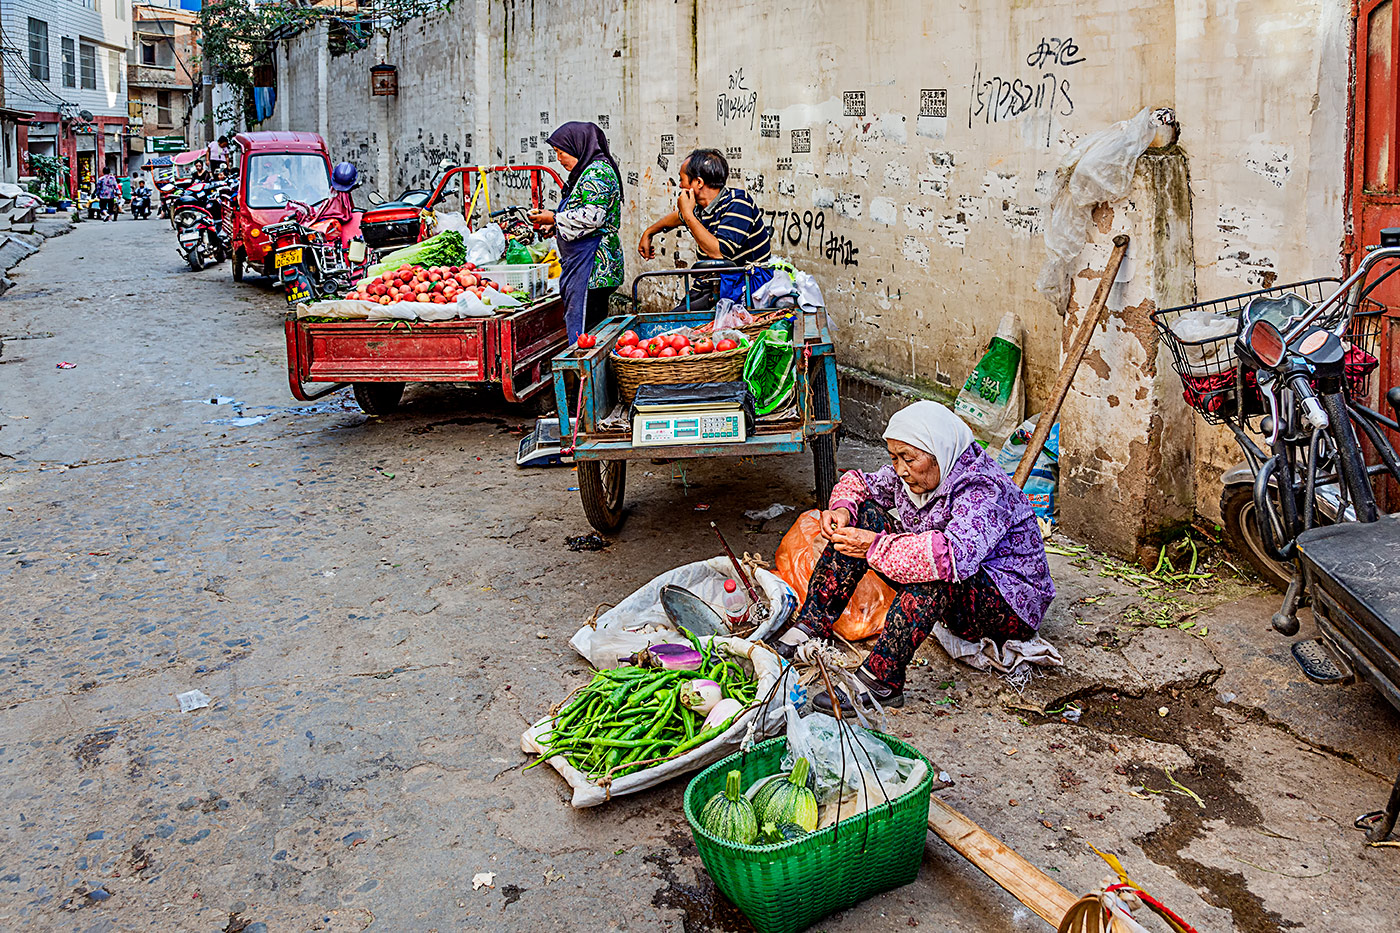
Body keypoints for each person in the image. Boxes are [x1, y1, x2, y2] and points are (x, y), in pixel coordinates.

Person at [766, 401, 1055, 713]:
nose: (901, 469)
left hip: (1006, 607)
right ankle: (813, 624)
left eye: (909, 458)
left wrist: (873, 546)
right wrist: (842, 508)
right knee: (863, 516)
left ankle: (882, 678)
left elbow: (951, 556)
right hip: (958, 592)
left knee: (933, 568)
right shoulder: (917, 472)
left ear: (938, 449)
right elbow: (862, 483)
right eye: (895, 457)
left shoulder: (983, 487)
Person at [638, 148, 772, 311]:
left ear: (699, 183)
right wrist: (649, 232)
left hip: (742, 292)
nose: (680, 185)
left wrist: (688, 215)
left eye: (682, 180)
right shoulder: (701, 209)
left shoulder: (738, 203)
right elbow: (675, 218)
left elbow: (719, 253)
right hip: (710, 288)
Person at [527, 122, 623, 343]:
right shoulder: (587, 171)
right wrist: (556, 224)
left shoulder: (598, 171)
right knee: (590, 330)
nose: (559, 159)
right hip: (585, 263)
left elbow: (593, 216)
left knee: (588, 333)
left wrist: (553, 218)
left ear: (577, 146)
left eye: (561, 152)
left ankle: (586, 376)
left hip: (594, 265)